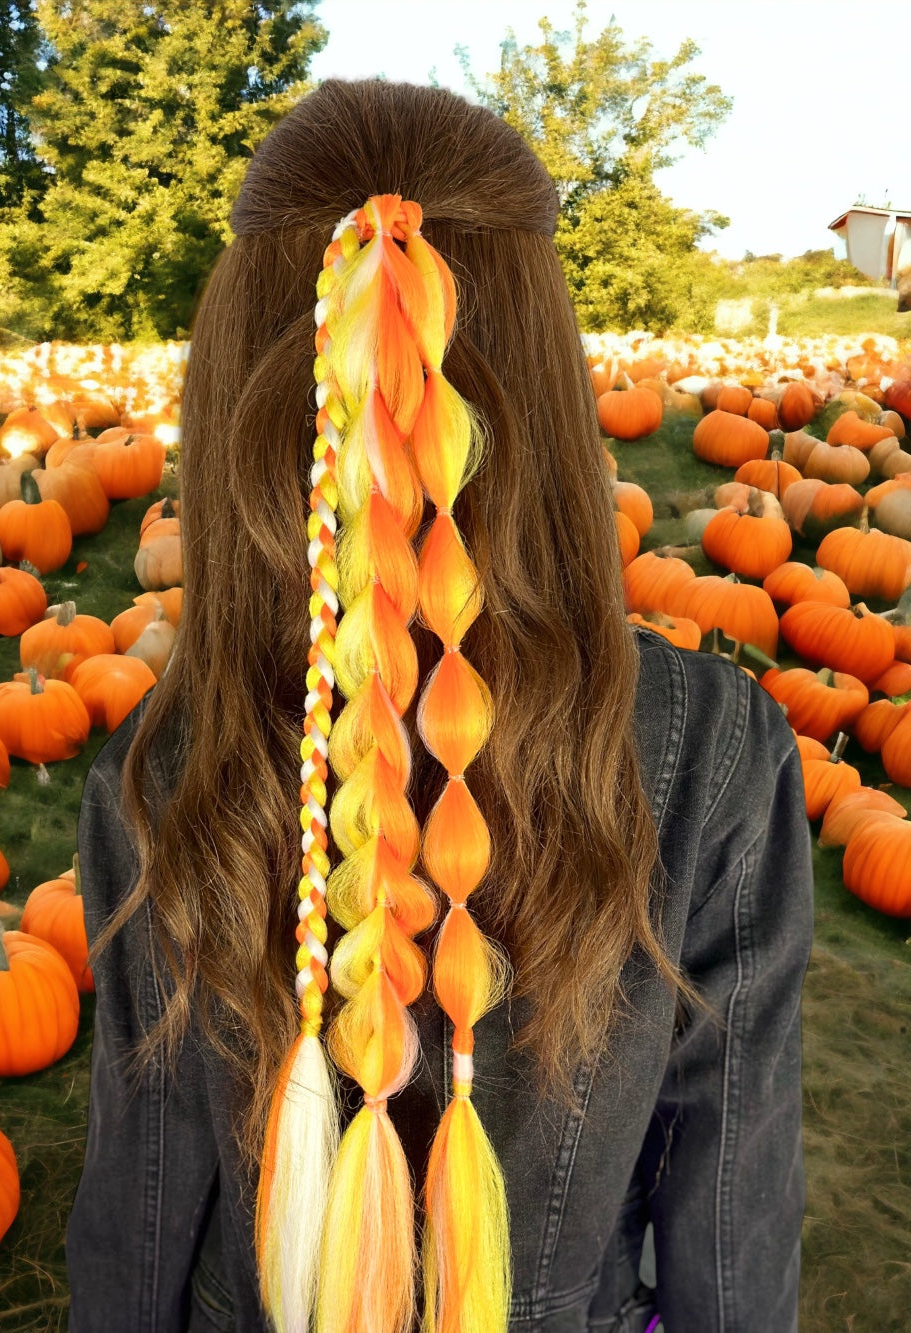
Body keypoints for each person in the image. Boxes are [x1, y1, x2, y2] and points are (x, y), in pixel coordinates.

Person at [65, 79, 813, 1333]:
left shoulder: (166, 757)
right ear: (542, 378)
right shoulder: (714, 747)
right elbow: (731, 1195)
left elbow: (140, 1197)